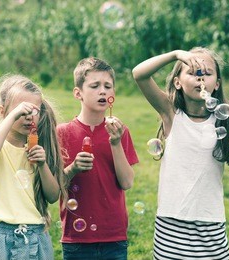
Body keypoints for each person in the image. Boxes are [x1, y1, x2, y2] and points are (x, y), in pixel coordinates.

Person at [132, 47, 229, 259]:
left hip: (210, 222)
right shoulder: (171, 113)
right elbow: (139, 74)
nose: (201, 78)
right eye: (193, 72)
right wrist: (176, 54)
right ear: (178, 82)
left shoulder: (226, 120)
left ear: (217, 84)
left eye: (207, 73)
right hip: (171, 222)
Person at [57, 57, 139, 260]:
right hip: (76, 238)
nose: (103, 91)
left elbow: (127, 182)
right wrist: (73, 168)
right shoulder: (62, 132)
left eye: (108, 86)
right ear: (78, 93)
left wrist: (116, 143)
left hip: (114, 235)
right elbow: (55, 185)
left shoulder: (120, 132)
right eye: (95, 86)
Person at [0, 74, 64, 260]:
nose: (27, 117)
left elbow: (52, 196)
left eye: (34, 111)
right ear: (2, 112)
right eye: (20, 111)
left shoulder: (40, 148)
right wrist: (12, 115)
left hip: (35, 235)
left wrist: (42, 165)